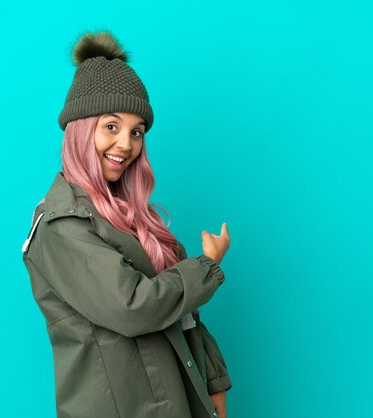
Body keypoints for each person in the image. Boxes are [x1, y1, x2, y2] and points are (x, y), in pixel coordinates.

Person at [21, 30, 233, 418]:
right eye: (112, 126)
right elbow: (133, 307)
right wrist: (205, 267)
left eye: (137, 132)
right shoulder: (62, 225)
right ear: (82, 130)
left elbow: (183, 315)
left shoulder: (133, 217)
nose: (126, 144)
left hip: (180, 400)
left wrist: (214, 381)